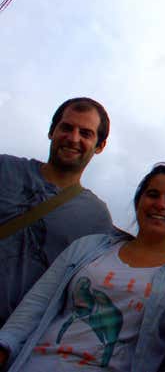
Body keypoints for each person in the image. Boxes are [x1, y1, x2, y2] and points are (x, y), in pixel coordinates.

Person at [0, 162, 165, 371]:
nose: (160, 204)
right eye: (152, 194)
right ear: (138, 202)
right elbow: (35, 305)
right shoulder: (87, 247)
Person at [0, 97, 114, 326]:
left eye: (86, 133)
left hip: (10, 340)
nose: (73, 138)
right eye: (67, 127)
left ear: (99, 146)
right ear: (52, 131)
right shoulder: (5, 169)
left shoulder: (96, 217)